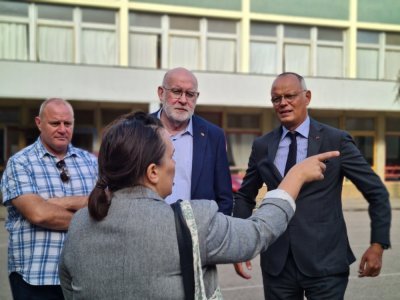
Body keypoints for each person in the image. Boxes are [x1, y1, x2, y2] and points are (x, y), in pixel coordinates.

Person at [58, 111, 339, 300]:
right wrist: (296, 176)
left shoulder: (81, 223)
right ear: (153, 171)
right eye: (171, 156)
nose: (175, 164)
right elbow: (259, 232)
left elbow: (70, 289)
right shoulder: (192, 222)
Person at [233, 72, 392, 300]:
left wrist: (378, 245)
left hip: (326, 263)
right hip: (278, 265)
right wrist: (241, 242)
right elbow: (245, 196)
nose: (283, 103)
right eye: (276, 99)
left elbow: (376, 192)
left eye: (290, 96)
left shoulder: (336, 140)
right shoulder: (262, 145)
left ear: (307, 97)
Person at [1, 98, 98, 300]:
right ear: (39, 123)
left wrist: (63, 202)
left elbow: (104, 202)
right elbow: (39, 214)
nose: (62, 129)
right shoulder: (20, 163)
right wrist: (91, 217)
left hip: (83, 275)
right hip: (36, 277)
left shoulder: (90, 162)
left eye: (68, 124)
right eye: (55, 123)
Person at [152, 67, 232, 215]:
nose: (183, 100)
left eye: (190, 94)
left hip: (197, 234)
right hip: (148, 229)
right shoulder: (139, 129)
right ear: (161, 93)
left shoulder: (214, 136)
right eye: (176, 91)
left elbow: (225, 198)